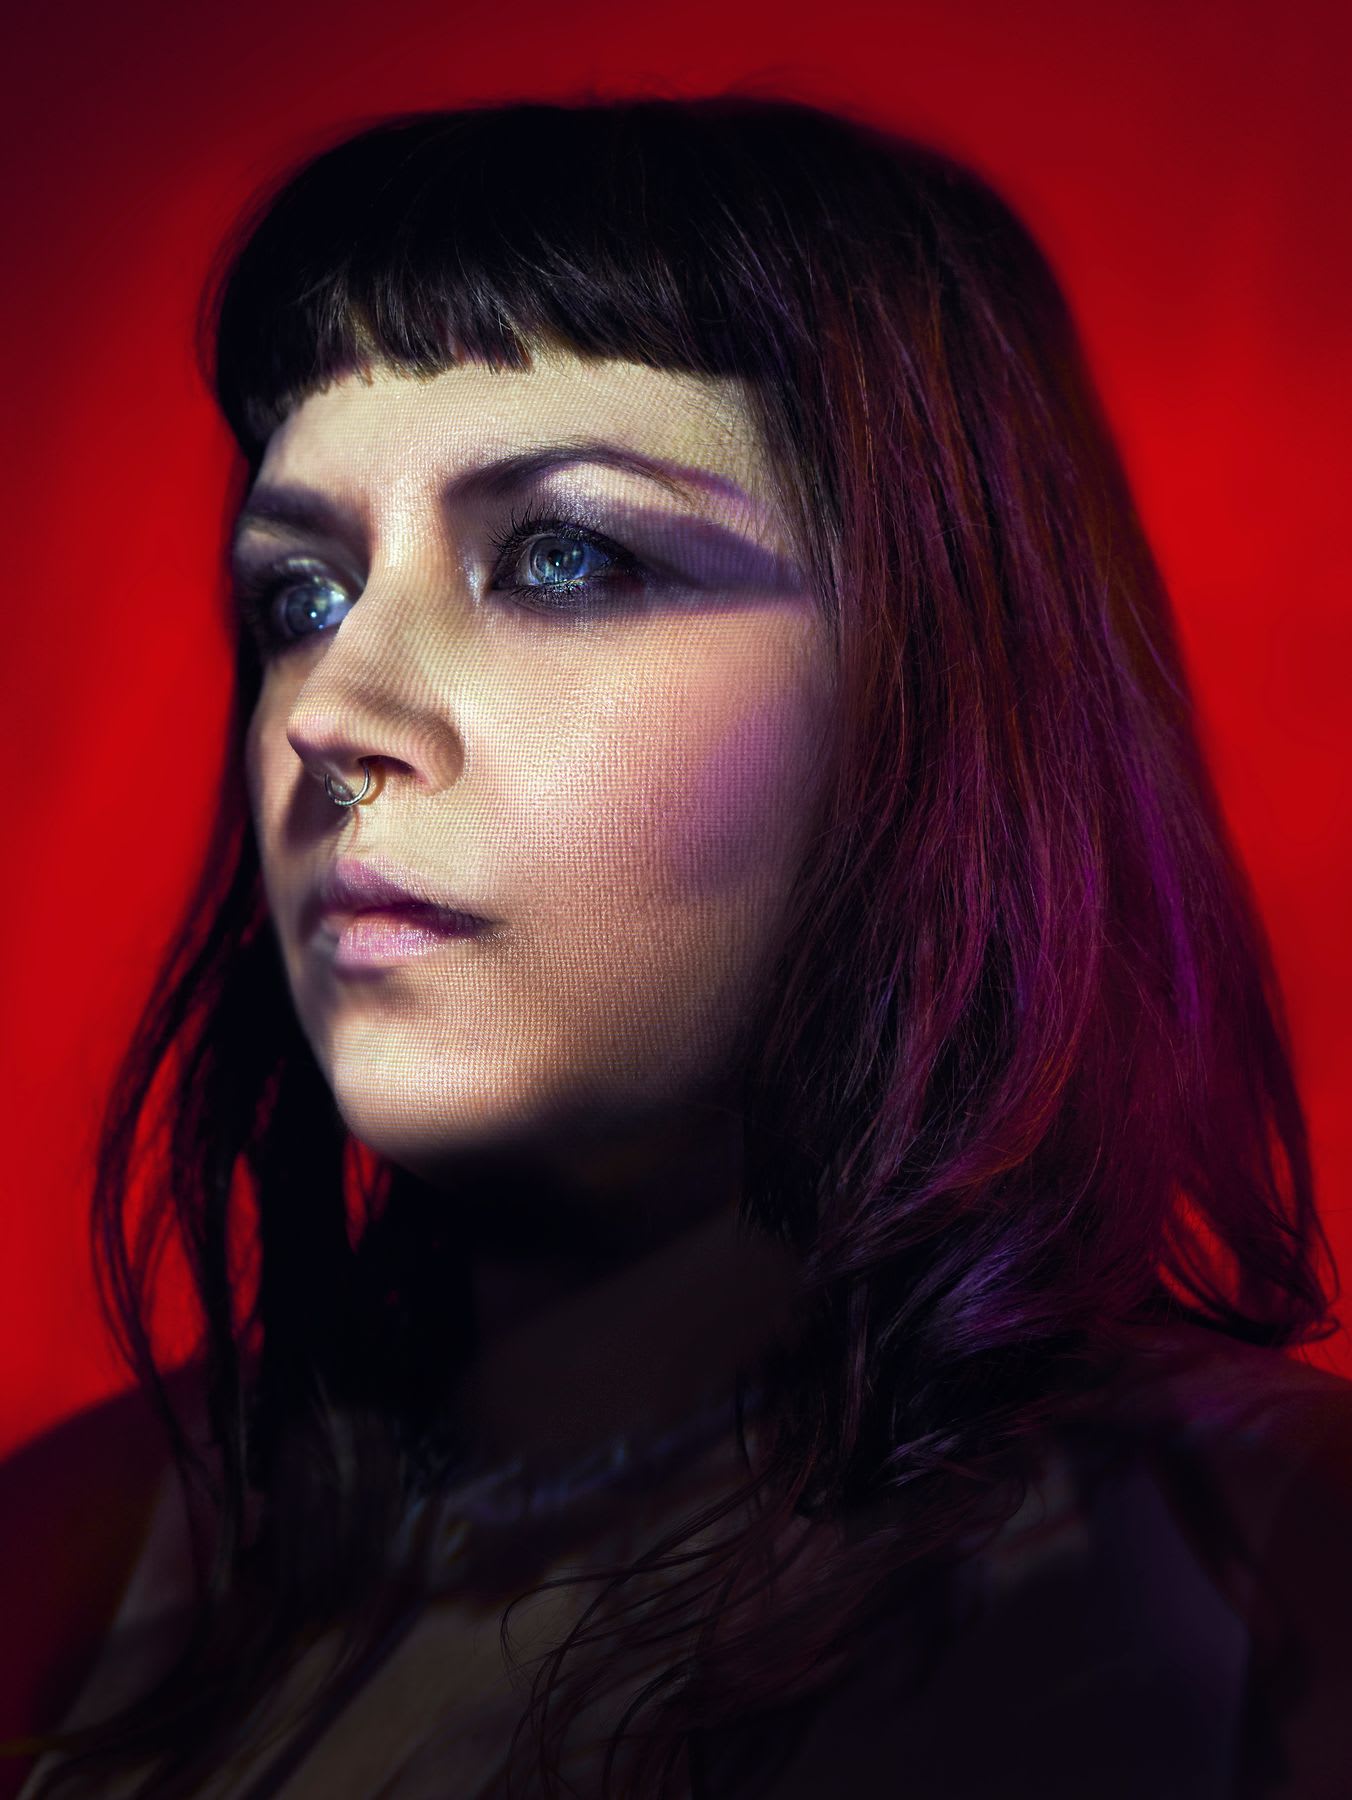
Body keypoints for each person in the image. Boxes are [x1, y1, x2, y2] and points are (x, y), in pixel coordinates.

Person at [3, 90, 1350, 1800]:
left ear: (936, 684)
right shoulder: (71, 1558)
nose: (333, 711)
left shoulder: (1268, 1573)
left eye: (564, 556)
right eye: (301, 594)